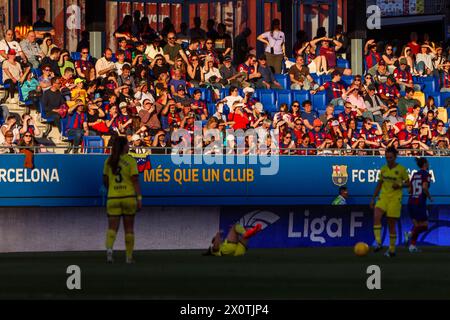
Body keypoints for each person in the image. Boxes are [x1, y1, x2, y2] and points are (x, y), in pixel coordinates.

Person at [103, 136, 142, 264]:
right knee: (129, 228)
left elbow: (105, 180)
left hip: (113, 197)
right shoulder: (130, 161)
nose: (129, 146)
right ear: (124, 146)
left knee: (112, 228)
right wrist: (139, 197)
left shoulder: (109, 160)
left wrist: (112, 190)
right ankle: (129, 257)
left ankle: (109, 252)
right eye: (127, 144)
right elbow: (135, 180)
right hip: (128, 197)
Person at [370, 146, 410, 257]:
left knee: (391, 224)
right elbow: (379, 184)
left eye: (391, 157)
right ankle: (378, 242)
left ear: (395, 157)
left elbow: (409, 183)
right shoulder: (383, 169)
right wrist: (373, 198)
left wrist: (400, 185)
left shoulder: (401, 169)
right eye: (387, 157)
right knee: (376, 215)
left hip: (395, 199)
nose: (388, 159)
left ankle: (392, 249)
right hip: (383, 197)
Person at [404, 157, 432, 253]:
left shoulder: (415, 175)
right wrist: (429, 197)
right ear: (424, 164)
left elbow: (409, 190)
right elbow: (424, 188)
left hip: (411, 201)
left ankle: (412, 246)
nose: (428, 164)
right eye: (427, 163)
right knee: (424, 226)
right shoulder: (426, 174)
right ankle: (410, 234)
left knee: (417, 225)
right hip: (419, 203)